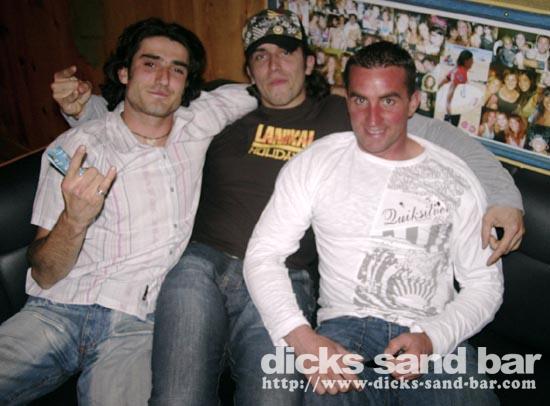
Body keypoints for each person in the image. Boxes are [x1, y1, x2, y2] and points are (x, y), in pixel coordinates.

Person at [54, 10, 524, 405]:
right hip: (202, 262)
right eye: (261, 56)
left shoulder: (349, 113)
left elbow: (442, 141)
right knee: (179, 396)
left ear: (309, 61)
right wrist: (84, 111)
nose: (274, 65)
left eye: (286, 53)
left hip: (288, 272)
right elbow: (146, 115)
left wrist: (505, 198)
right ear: (249, 71)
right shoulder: (221, 110)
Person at [0, 18, 256, 405]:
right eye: (150, 64)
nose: (163, 79)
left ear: (188, 83)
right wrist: (74, 221)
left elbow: (274, 85)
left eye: (177, 69)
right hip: (56, 310)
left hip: (138, 325)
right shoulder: (78, 147)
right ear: (124, 73)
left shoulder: (201, 121)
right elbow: (45, 273)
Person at [243, 41, 503, 405]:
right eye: (360, 100)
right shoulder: (317, 162)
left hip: (432, 335)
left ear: (413, 102)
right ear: (346, 100)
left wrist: (433, 339)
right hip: (344, 332)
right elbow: (263, 254)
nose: (372, 119)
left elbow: (484, 284)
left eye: (389, 101)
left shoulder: (455, 177)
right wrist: (302, 339)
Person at [440, 49, 474, 126]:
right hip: (454, 105)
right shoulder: (461, 72)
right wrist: (449, 104)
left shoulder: (457, 68)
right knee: (452, 126)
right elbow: (453, 87)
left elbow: (447, 78)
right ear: (466, 61)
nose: (472, 62)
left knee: (446, 124)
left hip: (453, 104)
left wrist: (439, 86)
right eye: (471, 60)